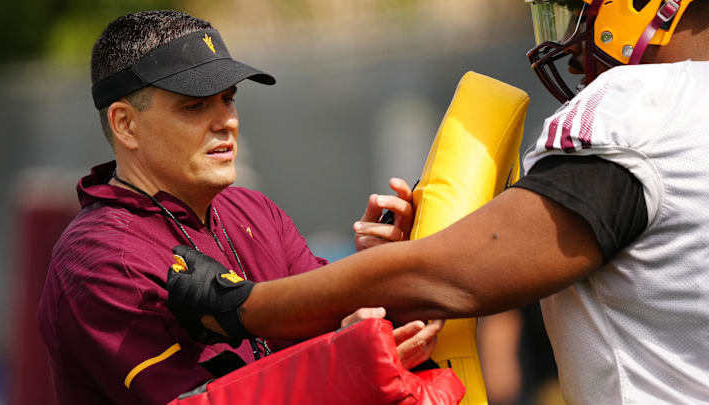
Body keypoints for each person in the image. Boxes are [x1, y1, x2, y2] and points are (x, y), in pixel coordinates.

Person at [169, 1, 709, 403]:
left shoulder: (642, 107)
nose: (570, 41)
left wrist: (241, 305)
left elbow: (450, 276)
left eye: (576, 11)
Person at [37, 10, 441, 405]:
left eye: (227, 99)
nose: (225, 121)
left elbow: (332, 325)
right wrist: (344, 355)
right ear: (125, 124)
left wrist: (373, 280)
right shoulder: (99, 259)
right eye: (194, 105)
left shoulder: (251, 209)